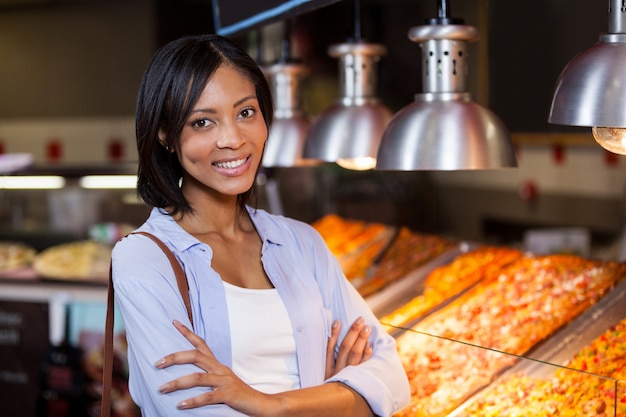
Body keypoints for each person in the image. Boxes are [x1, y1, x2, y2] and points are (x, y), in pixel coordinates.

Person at [111, 33, 410, 417]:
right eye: (203, 122)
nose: (233, 139)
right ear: (167, 135)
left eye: (246, 112)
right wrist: (332, 398)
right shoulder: (143, 259)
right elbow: (192, 411)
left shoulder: (301, 241)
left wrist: (269, 405)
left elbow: (391, 378)